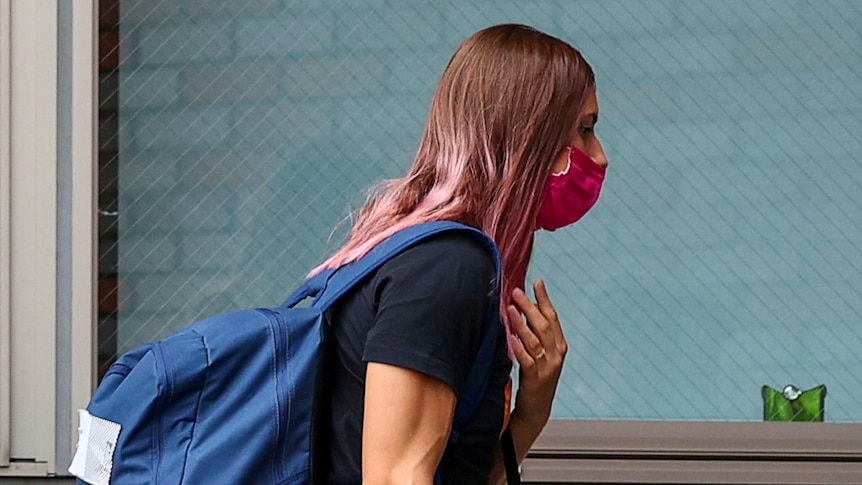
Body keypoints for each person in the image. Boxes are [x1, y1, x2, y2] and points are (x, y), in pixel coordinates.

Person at [311, 23, 609, 484]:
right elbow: (394, 478)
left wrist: (531, 414)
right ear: (529, 134)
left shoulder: (445, 260)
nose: (600, 156)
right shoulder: (445, 267)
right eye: (584, 130)